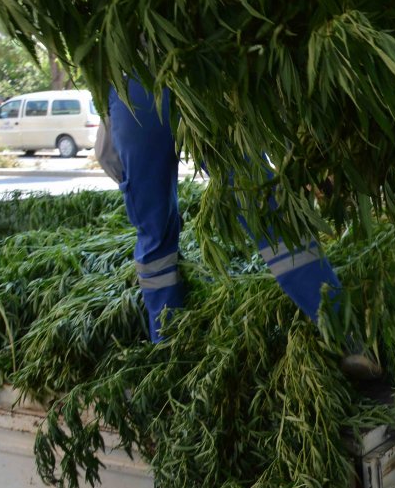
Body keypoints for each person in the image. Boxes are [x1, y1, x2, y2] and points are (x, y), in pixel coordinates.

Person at [99, 76, 378, 378]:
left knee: (156, 241)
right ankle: (346, 336)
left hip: (137, 87)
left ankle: (169, 350)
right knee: (263, 207)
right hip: (196, 74)